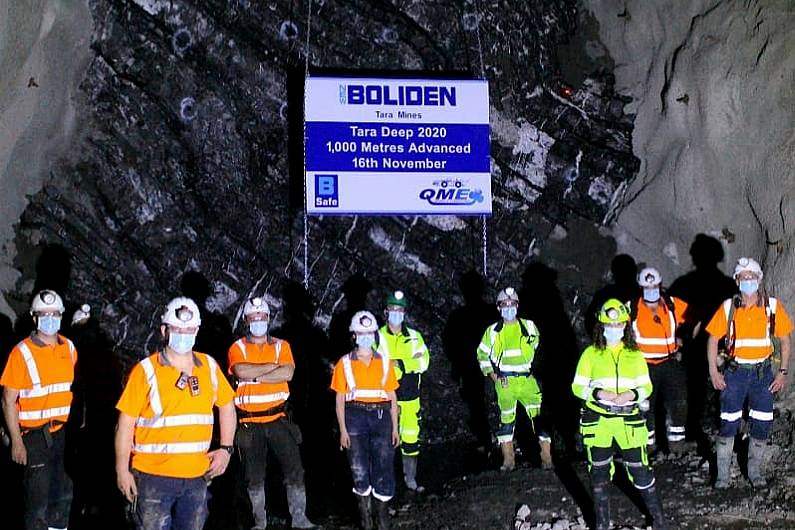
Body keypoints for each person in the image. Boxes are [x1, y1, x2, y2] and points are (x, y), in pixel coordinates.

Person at [115, 297, 236, 530]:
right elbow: (125, 424)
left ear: (197, 331)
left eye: (189, 330)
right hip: (152, 478)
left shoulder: (209, 366)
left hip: (196, 478)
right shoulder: (146, 370)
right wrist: (122, 469)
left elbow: (227, 406)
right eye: (178, 329)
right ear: (164, 330)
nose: (184, 334)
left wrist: (226, 449)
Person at [572, 299, 667, 530]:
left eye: (619, 325)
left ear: (626, 326)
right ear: (601, 326)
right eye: (609, 325)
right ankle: (602, 524)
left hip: (628, 422)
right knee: (599, 474)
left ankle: (660, 522)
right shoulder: (590, 354)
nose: (614, 329)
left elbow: (647, 387)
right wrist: (597, 393)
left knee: (640, 471)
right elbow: (577, 386)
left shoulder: (635, 355)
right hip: (599, 422)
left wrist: (632, 395)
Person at [228, 296, 316, 529]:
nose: (258, 320)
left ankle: (299, 519)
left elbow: (287, 373)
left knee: (294, 470)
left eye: (262, 316)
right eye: (253, 317)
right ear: (246, 320)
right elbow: (240, 370)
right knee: (253, 476)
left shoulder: (281, 345)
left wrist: (254, 375)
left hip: (279, 419)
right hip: (249, 422)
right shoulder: (237, 347)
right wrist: (270, 369)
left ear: (268, 318)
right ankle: (260, 522)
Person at [706, 257, 792, 488]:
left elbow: (785, 341)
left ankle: (755, 472)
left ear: (759, 279)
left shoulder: (771, 307)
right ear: (737, 280)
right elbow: (713, 339)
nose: (748, 281)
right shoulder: (728, 307)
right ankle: (723, 475)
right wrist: (714, 371)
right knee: (728, 422)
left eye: (751, 277)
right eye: (743, 278)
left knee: (762, 422)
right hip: (735, 372)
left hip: (762, 373)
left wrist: (782, 372)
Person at [1, 290, 76, 530]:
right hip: (33, 438)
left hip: (61, 434)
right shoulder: (21, 352)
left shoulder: (70, 348)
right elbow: (7, 400)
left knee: (62, 496)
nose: (50, 318)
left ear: (61, 315)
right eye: (44, 314)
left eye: (54, 314)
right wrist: (16, 441)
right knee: (38, 504)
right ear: (34, 318)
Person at [331, 311, 398, 530]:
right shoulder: (344, 363)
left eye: (369, 333)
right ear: (354, 336)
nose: (365, 337)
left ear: (375, 335)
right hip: (355, 417)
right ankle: (366, 521)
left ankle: (382, 519)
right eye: (361, 333)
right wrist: (342, 430)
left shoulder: (385, 363)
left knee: (384, 466)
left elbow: (392, 396)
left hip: (381, 418)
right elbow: (339, 398)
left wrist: (395, 428)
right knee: (358, 469)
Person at [477, 287, 551, 471]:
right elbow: (482, 355)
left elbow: (540, 349)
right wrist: (493, 376)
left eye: (512, 304)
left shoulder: (529, 326)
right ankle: (508, 461)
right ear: (498, 307)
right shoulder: (492, 331)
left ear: (517, 306)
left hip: (527, 380)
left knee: (540, 418)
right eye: (504, 305)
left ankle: (547, 460)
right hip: (506, 382)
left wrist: (537, 371)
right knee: (507, 421)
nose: (508, 308)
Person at [375, 290, 430, 492]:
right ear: (385, 312)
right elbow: (375, 364)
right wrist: (408, 363)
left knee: (410, 436)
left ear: (404, 313)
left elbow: (423, 362)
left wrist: (399, 363)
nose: (396, 313)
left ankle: (410, 479)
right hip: (384, 396)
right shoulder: (376, 336)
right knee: (384, 438)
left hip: (410, 397)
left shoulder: (415, 337)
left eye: (400, 310)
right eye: (392, 309)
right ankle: (384, 482)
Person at [631, 267, 689, 454]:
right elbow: (610, 324)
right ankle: (647, 445)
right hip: (642, 365)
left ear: (661, 285)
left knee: (678, 402)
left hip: (669, 362)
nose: (651, 290)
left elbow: (696, 319)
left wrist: (685, 339)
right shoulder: (631, 307)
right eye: (647, 287)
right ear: (640, 287)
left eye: (655, 286)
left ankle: (677, 444)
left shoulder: (671, 304)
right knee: (644, 405)